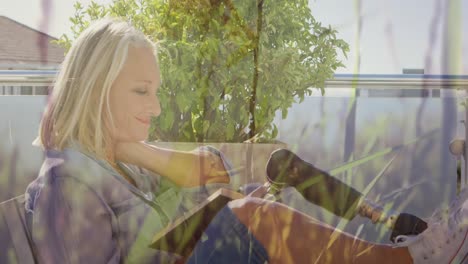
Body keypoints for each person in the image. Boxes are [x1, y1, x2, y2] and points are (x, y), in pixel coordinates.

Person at [24, 17, 468, 264]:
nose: (156, 108)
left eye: (155, 91)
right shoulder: (67, 187)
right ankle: (399, 260)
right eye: (142, 91)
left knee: (246, 197)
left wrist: (131, 149)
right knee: (253, 214)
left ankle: (393, 238)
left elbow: (213, 167)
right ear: (95, 89)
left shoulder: (119, 163)